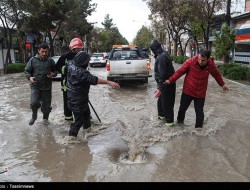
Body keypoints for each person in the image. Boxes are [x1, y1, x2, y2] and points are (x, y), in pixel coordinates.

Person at [164, 50, 229, 128]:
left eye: (203, 60)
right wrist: (170, 80)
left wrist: (223, 84)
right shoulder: (190, 62)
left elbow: (216, 75)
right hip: (188, 91)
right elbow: (180, 72)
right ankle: (180, 125)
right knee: (182, 109)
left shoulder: (211, 65)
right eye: (199, 59)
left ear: (208, 59)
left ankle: (199, 131)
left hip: (200, 93)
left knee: (199, 113)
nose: (200, 62)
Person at [67, 51, 120, 137]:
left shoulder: (71, 65)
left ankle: (87, 133)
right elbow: (94, 80)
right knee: (79, 121)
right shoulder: (81, 72)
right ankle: (71, 138)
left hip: (76, 98)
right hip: (77, 101)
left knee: (87, 116)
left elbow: (68, 61)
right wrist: (108, 82)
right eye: (87, 61)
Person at [24, 43, 57, 125]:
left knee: (46, 108)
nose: (44, 54)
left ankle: (45, 120)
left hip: (47, 87)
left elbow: (56, 71)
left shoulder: (50, 61)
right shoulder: (33, 60)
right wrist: (30, 78)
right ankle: (34, 116)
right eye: (42, 51)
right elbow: (26, 71)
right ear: (38, 51)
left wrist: (53, 74)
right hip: (35, 86)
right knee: (34, 103)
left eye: (46, 52)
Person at [149, 39, 176, 127]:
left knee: (167, 106)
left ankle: (169, 126)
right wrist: (159, 88)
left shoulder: (161, 58)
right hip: (163, 85)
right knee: (161, 105)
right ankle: (161, 122)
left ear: (153, 49)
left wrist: (160, 88)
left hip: (167, 85)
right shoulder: (162, 55)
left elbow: (163, 74)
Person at [55, 37, 83, 121]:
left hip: (79, 84)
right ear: (72, 48)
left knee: (81, 101)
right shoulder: (65, 57)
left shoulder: (82, 56)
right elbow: (57, 66)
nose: (78, 50)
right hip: (66, 84)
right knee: (67, 102)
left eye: (80, 48)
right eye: (77, 48)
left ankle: (83, 116)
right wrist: (65, 69)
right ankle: (68, 118)